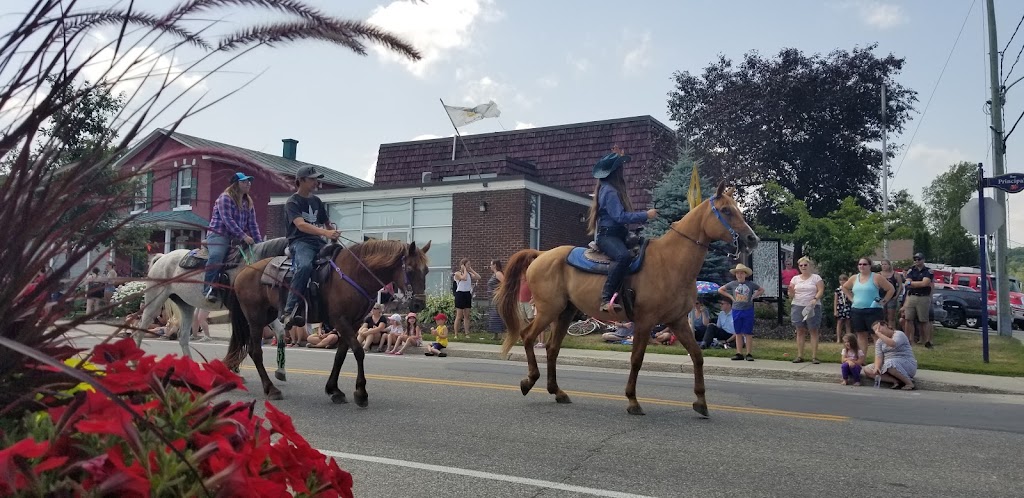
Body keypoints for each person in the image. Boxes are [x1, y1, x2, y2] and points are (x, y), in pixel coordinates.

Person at [586, 145, 658, 312]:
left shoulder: (609, 188)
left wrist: (617, 155)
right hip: (608, 236)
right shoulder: (609, 191)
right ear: (615, 172)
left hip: (620, 234)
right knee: (623, 257)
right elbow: (620, 217)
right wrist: (646, 215)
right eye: (620, 168)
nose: (623, 171)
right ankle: (606, 298)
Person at [281, 166, 340, 327]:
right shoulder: (292, 202)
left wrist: (332, 232)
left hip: (318, 242)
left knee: (338, 262)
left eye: (316, 179)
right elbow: (300, 225)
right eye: (312, 179)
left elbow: (327, 222)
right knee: (305, 267)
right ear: (301, 181)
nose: (316, 182)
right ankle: (289, 310)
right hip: (300, 242)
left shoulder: (316, 201)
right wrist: (325, 233)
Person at [204, 172, 263, 303]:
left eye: (249, 181)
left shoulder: (248, 202)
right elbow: (228, 220)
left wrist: (260, 243)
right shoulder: (225, 198)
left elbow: (253, 224)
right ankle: (208, 288)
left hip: (236, 237)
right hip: (219, 235)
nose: (248, 184)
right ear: (236, 184)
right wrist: (244, 236)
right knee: (217, 256)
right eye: (244, 182)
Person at [842, 258, 895, 356]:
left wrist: (884, 301)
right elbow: (844, 287)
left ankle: (879, 360)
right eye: (860, 264)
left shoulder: (876, 277)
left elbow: (890, 289)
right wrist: (851, 298)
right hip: (857, 310)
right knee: (861, 335)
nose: (862, 266)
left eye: (865, 264)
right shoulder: (854, 278)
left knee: (876, 335)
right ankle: (862, 359)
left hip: (873, 310)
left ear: (870, 266)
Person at [719, 263, 763, 361]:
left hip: (748, 309)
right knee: (738, 332)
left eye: (742, 273)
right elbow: (721, 289)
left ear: (745, 274)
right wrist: (731, 297)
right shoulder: (733, 284)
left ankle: (749, 353)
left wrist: (753, 296)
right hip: (736, 309)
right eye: (738, 273)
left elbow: (761, 289)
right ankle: (739, 353)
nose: (739, 275)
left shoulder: (750, 284)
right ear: (735, 274)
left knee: (748, 332)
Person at [788, 256, 824, 364]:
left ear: (810, 266)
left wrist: (815, 299)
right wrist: (791, 292)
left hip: (812, 306)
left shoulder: (816, 278)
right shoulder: (795, 279)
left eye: (805, 265)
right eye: (801, 265)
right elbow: (791, 294)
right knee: (800, 330)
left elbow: (821, 290)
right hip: (798, 305)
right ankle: (800, 355)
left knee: (813, 330)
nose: (803, 267)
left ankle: (814, 356)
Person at [863, 321, 918, 390]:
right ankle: (896, 381)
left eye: (879, 328)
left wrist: (879, 334)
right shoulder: (879, 342)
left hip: (906, 363)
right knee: (867, 369)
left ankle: (909, 383)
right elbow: (879, 356)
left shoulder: (899, 334)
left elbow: (893, 344)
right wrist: (877, 367)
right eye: (875, 331)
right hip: (888, 364)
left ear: (885, 325)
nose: (878, 331)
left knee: (889, 363)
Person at [902, 252, 935, 349]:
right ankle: (908, 340)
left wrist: (912, 283)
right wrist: (915, 283)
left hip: (923, 297)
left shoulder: (928, 271)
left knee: (924, 320)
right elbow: (907, 283)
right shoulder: (911, 270)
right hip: (912, 296)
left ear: (923, 260)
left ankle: (927, 341)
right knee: (908, 318)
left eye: (919, 259)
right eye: (915, 259)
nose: (917, 261)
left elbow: (925, 283)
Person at [453, 258, 479, 340]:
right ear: (463, 265)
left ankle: (467, 333)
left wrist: (471, 269)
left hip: (467, 294)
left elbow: (478, 277)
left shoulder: (469, 273)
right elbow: (464, 278)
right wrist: (464, 269)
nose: (469, 266)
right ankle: (456, 334)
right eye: (468, 264)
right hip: (460, 294)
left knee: (467, 315)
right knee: (459, 315)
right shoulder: (457, 273)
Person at [879, 259, 904, 329]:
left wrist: (897, 296)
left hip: (892, 298)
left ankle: (892, 331)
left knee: (891, 317)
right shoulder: (878, 275)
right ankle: (883, 331)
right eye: (882, 264)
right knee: (882, 316)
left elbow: (900, 286)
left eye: (885, 264)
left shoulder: (895, 274)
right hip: (882, 297)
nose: (884, 266)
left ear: (889, 265)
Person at [487, 259, 505, 341]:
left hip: (497, 298)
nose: (490, 266)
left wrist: (498, 292)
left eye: (491, 264)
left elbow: (505, 283)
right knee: (493, 316)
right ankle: (495, 334)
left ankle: (501, 335)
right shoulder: (494, 274)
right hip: (492, 298)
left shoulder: (498, 274)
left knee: (498, 315)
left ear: (495, 265)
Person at [833, 273, 852, 344]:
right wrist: (835, 310)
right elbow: (835, 301)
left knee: (848, 323)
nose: (842, 282)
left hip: (847, 307)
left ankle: (849, 339)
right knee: (839, 323)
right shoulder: (838, 290)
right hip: (840, 307)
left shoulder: (849, 289)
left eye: (844, 280)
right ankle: (838, 338)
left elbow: (851, 298)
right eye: (841, 280)